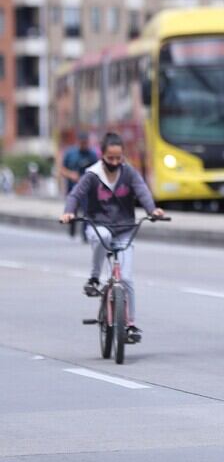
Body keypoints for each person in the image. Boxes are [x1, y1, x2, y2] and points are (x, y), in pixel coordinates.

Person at [60, 132, 165, 344]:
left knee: (126, 279)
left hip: (125, 228)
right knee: (103, 237)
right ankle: (94, 277)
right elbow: (75, 195)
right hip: (98, 226)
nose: (115, 163)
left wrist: (152, 210)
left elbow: (142, 191)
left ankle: (131, 324)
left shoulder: (129, 173)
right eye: (111, 159)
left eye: (119, 158)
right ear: (102, 156)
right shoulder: (92, 175)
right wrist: (69, 212)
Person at [59, 132, 99, 239]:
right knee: (72, 210)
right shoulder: (70, 154)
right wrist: (71, 175)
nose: (84, 145)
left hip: (86, 189)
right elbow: (62, 170)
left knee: (87, 211)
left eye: (86, 143)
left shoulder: (92, 155)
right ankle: (72, 226)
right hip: (72, 188)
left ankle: (85, 233)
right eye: (82, 143)